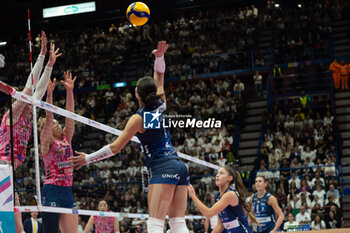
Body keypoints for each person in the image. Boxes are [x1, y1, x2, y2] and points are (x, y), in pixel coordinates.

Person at [71, 42, 190, 233]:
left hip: (162, 166)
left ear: (137, 94)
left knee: (155, 225)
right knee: (178, 224)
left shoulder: (138, 118)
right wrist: (159, 57)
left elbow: (115, 148)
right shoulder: (161, 104)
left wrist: (88, 158)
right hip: (179, 166)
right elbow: (160, 77)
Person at [38, 71, 77, 233]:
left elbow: (70, 116)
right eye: (54, 124)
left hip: (67, 191)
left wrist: (69, 91)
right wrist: (49, 94)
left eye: (57, 123)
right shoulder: (47, 142)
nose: (57, 124)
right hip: (52, 190)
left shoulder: (66, 138)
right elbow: (48, 117)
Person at [188, 166, 257, 233]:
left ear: (229, 178)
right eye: (217, 173)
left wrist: (193, 196)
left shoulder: (230, 194)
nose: (217, 175)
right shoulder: (217, 196)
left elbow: (208, 213)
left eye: (221, 173)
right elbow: (220, 225)